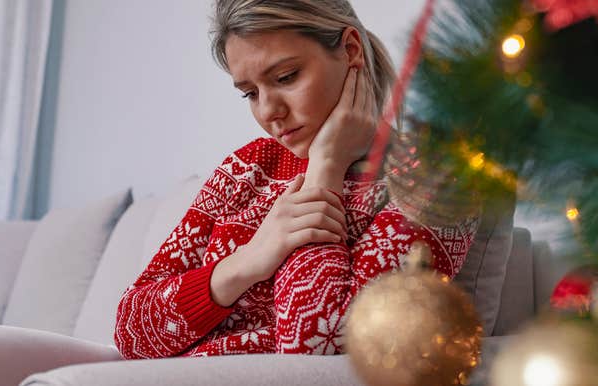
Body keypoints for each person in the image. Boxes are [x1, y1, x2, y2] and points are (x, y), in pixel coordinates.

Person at [113, 0, 479, 359]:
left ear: (351, 50)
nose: (268, 111)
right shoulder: (248, 167)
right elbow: (130, 331)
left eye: (286, 77)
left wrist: (326, 167)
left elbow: (313, 344)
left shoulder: (437, 180)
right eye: (250, 93)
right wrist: (248, 261)